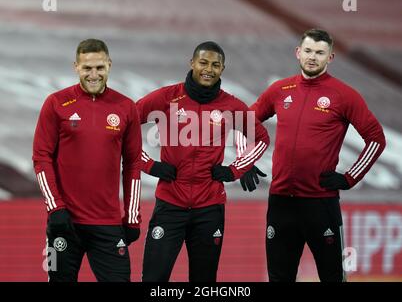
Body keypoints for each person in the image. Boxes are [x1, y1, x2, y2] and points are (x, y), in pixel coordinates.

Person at [240, 29, 386, 281]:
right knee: (279, 278)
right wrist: (245, 161)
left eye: (320, 53)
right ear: (298, 53)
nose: (312, 57)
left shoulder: (344, 95)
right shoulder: (279, 89)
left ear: (330, 57)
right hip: (281, 202)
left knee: (332, 278)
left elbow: (376, 139)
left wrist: (350, 178)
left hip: (320, 204)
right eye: (308, 51)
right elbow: (243, 122)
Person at [137, 41, 269, 282]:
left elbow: (261, 138)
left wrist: (236, 169)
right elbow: (125, 126)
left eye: (215, 65)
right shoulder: (167, 98)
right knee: (154, 280)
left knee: (204, 281)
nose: (209, 69)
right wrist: (149, 165)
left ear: (222, 69)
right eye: (203, 62)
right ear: (192, 63)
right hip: (169, 205)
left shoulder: (231, 105)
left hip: (210, 208)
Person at [32, 39, 142, 282]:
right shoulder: (56, 103)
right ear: (76, 67)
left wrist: (132, 216)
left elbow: (133, 164)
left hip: (108, 223)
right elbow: (41, 158)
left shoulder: (126, 107)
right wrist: (56, 209)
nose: (94, 75)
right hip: (64, 223)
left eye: (100, 68)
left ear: (109, 66)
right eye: (87, 68)